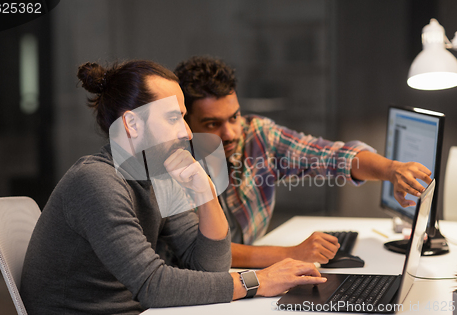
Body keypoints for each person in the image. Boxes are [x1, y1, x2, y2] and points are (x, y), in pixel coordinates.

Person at [19, 60, 328, 314]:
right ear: (132, 124)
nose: (186, 132)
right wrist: (257, 281)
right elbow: (152, 284)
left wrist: (206, 196)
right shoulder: (96, 182)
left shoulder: (159, 174)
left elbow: (210, 267)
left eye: (182, 117)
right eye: (172, 118)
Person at [174, 56, 433, 269]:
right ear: (186, 122)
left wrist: (391, 170)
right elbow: (204, 252)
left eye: (234, 117)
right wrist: (292, 253)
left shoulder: (258, 135)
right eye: (212, 124)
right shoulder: (174, 166)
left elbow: (331, 156)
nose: (230, 133)